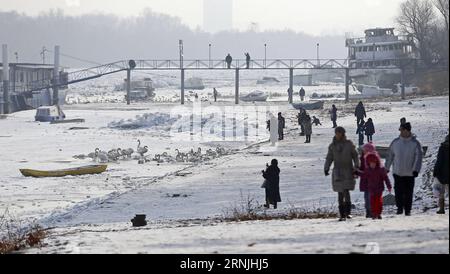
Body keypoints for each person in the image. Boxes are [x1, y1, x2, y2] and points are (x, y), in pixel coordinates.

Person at [385, 122, 423, 216]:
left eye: (401, 130)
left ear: (406, 130)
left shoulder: (415, 144)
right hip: (398, 172)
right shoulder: (395, 142)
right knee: (398, 191)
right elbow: (390, 155)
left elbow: (419, 157)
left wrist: (416, 170)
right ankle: (399, 208)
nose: (400, 132)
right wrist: (387, 167)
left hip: (410, 173)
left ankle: (408, 210)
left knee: (408, 192)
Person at [324, 127, 360, 221]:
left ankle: (348, 213)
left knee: (346, 191)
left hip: (348, 170)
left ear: (343, 133)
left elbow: (355, 155)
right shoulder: (332, 146)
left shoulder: (349, 144)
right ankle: (342, 214)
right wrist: (326, 168)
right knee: (340, 192)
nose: (338, 134)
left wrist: (356, 166)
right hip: (337, 172)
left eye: (340, 133)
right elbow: (329, 158)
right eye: (337, 133)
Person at [361, 152, 392, 220]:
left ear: (376, 162)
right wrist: (363, 187)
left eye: (374, 163)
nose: (372, 164)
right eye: (371, 163)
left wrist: (389, 186)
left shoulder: (381, 170)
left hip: (379, 188)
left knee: (378, 201)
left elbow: (386, 178)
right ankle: (374, 213)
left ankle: (378, 213)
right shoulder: (367, 170)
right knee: (372, 201)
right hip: (371, 188)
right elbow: (364, 179)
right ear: (368, 163)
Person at [357, 142, 377, 218]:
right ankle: (368, 211)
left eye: (365, 150)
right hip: (365, 181)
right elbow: (361, 168)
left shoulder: (373, 159)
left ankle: (372, 211)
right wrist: (357, 172)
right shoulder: (362, 158)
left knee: (370, 197)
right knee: (366, 197)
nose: (363, 151)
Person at [433, 135, 449, 214]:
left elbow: (439, 160)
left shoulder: (442, 148)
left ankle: (442, 209)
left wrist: (435, 171)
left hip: (442, 174)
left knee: (441, 192)